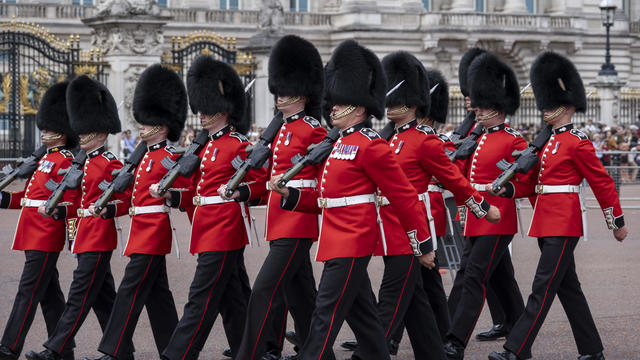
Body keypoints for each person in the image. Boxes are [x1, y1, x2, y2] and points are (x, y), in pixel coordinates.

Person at [269, 39, 437, 360]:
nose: (331, 107)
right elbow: (324, 198)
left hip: (353, 239)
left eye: (339, 102)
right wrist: (290, 195)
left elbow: (404, 198)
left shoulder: (372, 145)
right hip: (336, 238)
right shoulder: (339, 144)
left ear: (358, 106)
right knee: (367, 322)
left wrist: (423, 245)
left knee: (324, 316)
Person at [489, 51, 628, 360]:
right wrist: (508, 187)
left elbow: (601, 181)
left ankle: (516, 349)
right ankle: (592, 351)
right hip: (545, 219)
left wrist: (615, 221)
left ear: (565, 106)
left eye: (549, 104)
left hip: (564, 222)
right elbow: (532, 183)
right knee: (568, 288)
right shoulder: (547, 141)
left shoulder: (577, 142)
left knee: (542, 287)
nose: (544, 109)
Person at [151, 55, 264, 360]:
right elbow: (196, 191)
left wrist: (241, 191)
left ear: (224, 109)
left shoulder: (238, 145)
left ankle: (178, 352)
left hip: (225, 228)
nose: (201, 113)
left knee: (200, 296)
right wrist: (172, 197)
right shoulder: (206, 146)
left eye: (207, 107)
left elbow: (259, 183)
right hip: (206, 226)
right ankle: (251, 348)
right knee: (233, 296)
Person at [82, 64, 189, 360]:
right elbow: (131, 200)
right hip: (140, 228)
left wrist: (170, 194)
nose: (141, 126)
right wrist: (107, 209)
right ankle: (174, 351)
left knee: (129, 291)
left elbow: (188, 190)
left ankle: (114, 351)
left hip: (153, 231)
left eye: (148, 121)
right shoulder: (142, 158)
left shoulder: (169, 157)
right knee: (158, 296)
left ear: (163, 125)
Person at [24, 76, 130, 360]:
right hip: (83, 236)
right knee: (105, 298)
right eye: (80, 130)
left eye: (86, 131)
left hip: (98, 236)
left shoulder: (111, 163)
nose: (80, 135)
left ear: (100, 133)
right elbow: (78, 202)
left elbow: (124, 200)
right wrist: (59, 210)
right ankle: (122, 351)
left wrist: (107, 209)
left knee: (78, 297)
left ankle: (54, 349)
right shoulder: (81, 162)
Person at [233, 35, 325, 360]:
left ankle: (254, 352)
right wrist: (245, 190)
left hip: (296, 221)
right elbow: (268, 179)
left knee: (264, 289)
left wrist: (293, 195)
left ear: (301, 93)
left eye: (285, 90)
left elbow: (321, 183)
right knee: (300, 295)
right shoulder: (280, 130)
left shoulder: (314, 130)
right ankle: (317, 352)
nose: (279, 96)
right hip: (279, 221)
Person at [443, 52, 526, 360]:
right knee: (498, 276)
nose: (475, 107)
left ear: (497, 107)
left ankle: (454, 338)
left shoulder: (513, 141)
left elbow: (527, 180)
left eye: (481, 103)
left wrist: (508, 188)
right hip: (477, 216)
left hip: (497, 218)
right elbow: (463, 174)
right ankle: (520, 332)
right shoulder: (477, 137)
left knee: (472, 274)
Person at [0, 82, 79, 360]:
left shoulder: (66, 160)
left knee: (28, 291)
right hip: (33, 229)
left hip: (46, 231)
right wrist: (3, 199)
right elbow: (28, 197)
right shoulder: (46, 158)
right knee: (48, 292)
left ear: (62, 130)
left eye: (48, 127)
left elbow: (69, 198)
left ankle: (9, 348)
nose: (43, 130)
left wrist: (57, 212)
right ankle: (63, 348)